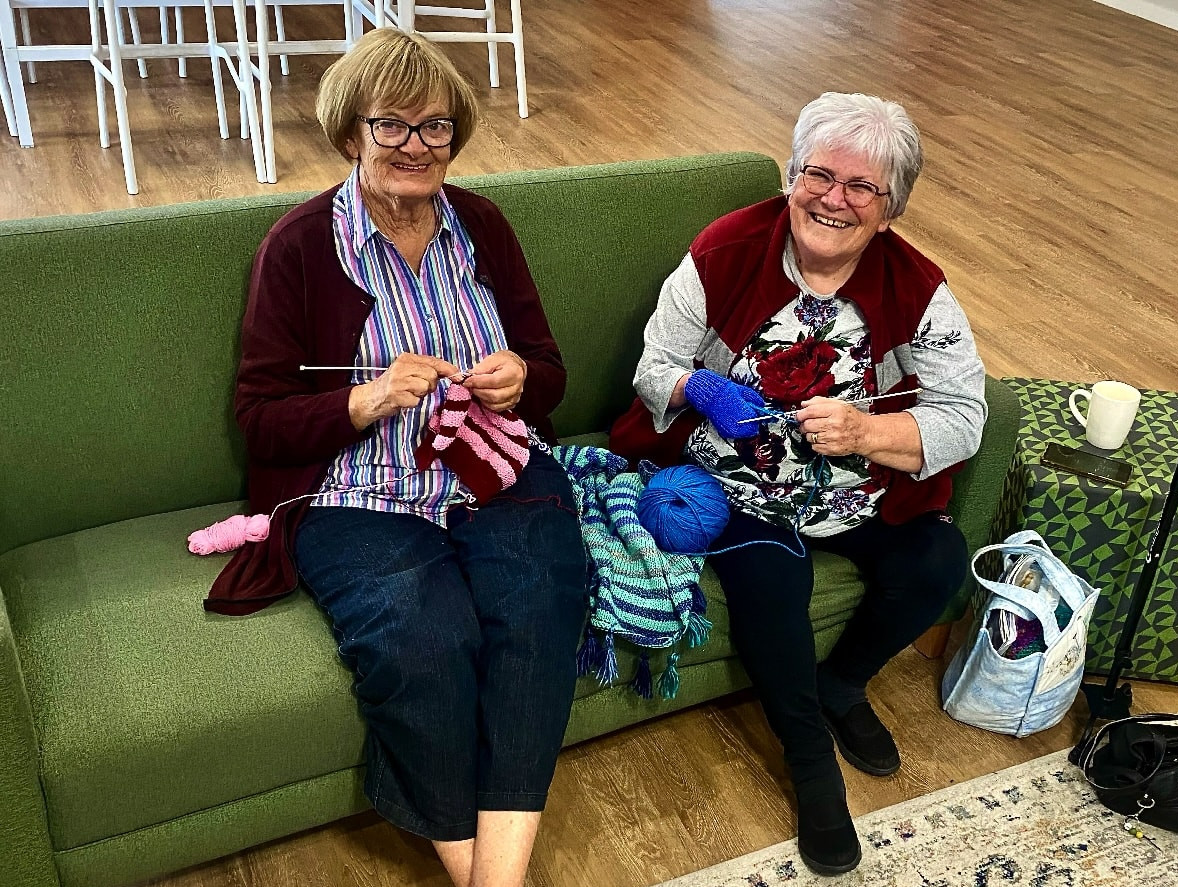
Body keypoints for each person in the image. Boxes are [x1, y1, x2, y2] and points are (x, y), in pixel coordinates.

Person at [204, 29, 586, 887]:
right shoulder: (300, 246)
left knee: (539, 611)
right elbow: (259, 421)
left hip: (496, 469)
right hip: (356, 495)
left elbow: (550, 370)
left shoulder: (482, 223)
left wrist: (522, 378)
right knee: (421, 641)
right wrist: (364, 399)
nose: (417, 147)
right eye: (392, 126)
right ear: (351, 134)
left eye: (437, 128)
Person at [609, 92, 988, 875]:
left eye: (862, 188)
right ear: (791, 177)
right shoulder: (723, 252)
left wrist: (868, 433)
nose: (834, 198)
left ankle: (842, 683)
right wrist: (699, 390)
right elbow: (653, 366)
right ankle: (810, 756)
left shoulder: (920, 288)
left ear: (890, 211)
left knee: (937, 564)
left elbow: (965, 415)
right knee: (770, 581)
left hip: (863, 492)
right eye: (819, 174)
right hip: (739, 487)